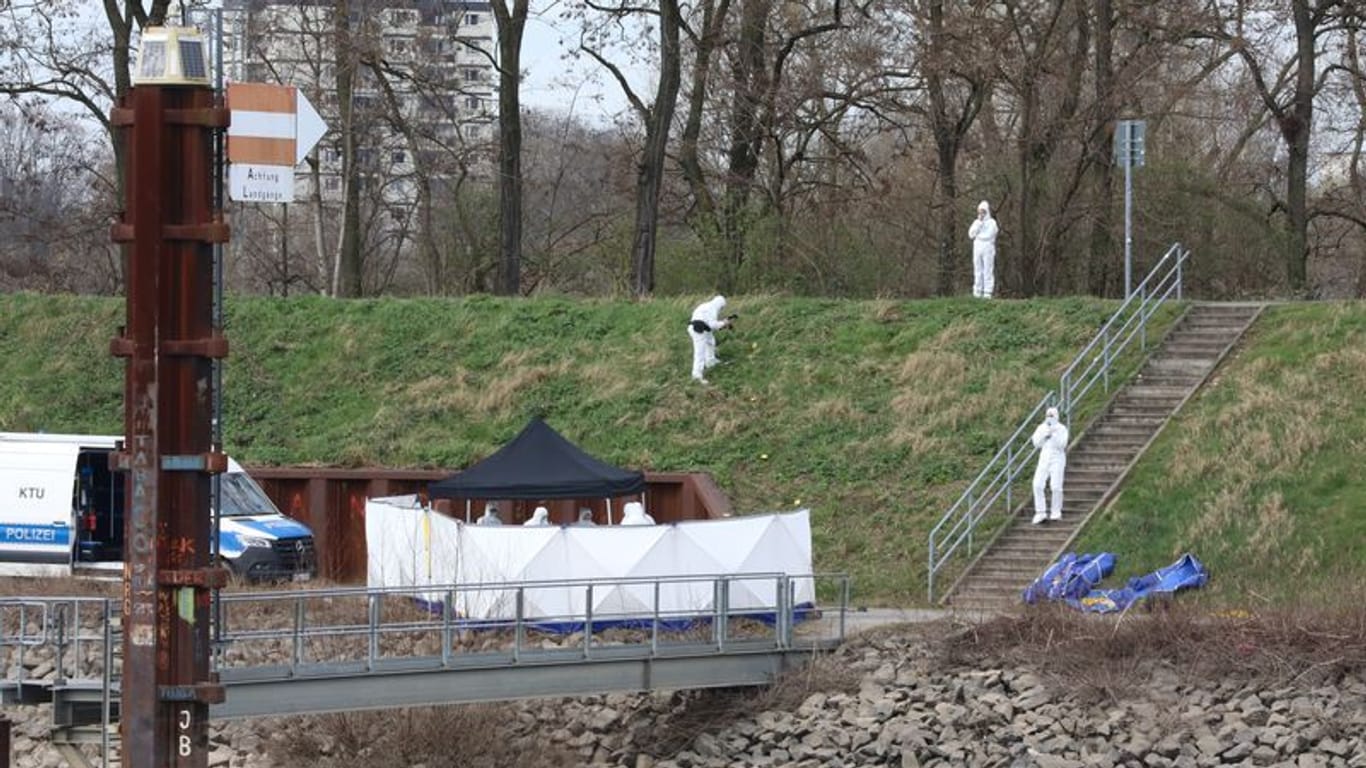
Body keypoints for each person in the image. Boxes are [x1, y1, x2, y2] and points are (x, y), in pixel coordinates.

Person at [1030, 406, 1068, 524]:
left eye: (1052, 415)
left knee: (1055, 486)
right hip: (1044, 457)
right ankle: (1040, 512)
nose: (1050, 418)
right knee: (1037, 484)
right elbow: (1036, 443)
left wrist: (1054, 435)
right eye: (1048, 415)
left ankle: (1056, 511)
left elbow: (1062, 445)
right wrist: (1044, 435)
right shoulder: (1041, 428)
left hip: (1057, 458)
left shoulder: (1062, 429)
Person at [687, 295, 734, 384]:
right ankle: (696, 376)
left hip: (699, 328)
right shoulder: (712, 309)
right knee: (699, 353)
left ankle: (710, 361)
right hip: (699, 330)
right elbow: (713, 325)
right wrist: (724, 323)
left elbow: (708, 324)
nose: (721, 309)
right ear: (720, 305)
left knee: (711, 341)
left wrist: (722, 324)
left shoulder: (704, 305)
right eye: (722, 307)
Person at [968, 200, 998, 299]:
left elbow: (989, 235)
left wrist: (979, 235)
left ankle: (987, 292)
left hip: (987, 247)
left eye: (983, 211)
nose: (981, 214)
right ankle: (977, 291)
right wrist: (979, 224)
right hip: (977, 247)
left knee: (988, 269)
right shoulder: (976, 222)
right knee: (978, 269)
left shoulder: (992, 223)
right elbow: (971, 234)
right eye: (980, 211)